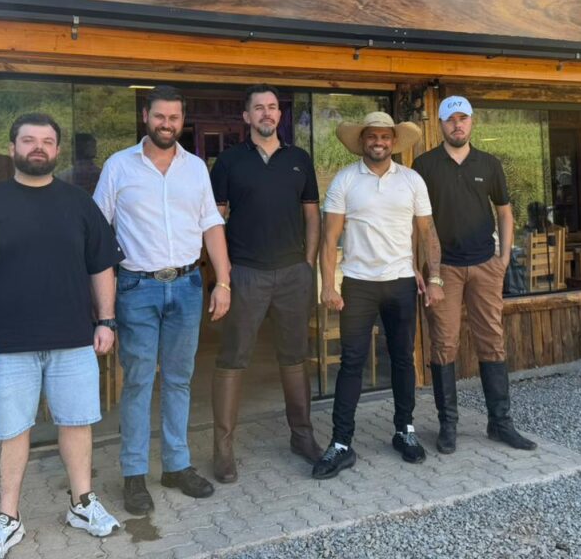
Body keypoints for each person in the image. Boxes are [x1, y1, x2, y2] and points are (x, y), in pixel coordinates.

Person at [0, 112, 124, 559]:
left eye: (46, 141)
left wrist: (106, 320)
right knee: (11, 431)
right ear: (13, 149)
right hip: (5, 345)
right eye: (28, 140)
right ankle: (8, 518)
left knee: (77, 423)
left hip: (73, 340)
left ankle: (82, 503)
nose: (38, 147)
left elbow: (101, 265)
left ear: (57, 150)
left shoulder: (79, 203)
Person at [93, 85, 231, 515]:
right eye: (159, 116)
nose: (166, 124)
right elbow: (97, 230)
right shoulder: (118, 166)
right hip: (137, 287)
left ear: (181, 120)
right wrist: (102, 301)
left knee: (179, 379)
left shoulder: (196, 168)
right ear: (146, 117)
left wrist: (223, 282)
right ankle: (134, 474)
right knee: (137, 381)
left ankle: (176, 465)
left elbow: (211, 224)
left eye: (173, 117)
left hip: (188, 286)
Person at [312, 111, 443, 480]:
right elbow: (329, 238)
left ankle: (404, 430)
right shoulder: (345, 180)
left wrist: (435, 277)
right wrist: (328, 285)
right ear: (362, 141)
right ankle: (341, 443)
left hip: (401, 282)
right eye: (372, 136)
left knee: (402, 359)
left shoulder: (412, 180)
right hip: (358, 283)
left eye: (385, 137)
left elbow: (427, 232)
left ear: (394, 141)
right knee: (351, 362)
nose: (379, 142)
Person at [208, 84, 323, 483]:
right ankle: (223, 450)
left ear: (279, 114)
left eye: (272, 107)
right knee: (233, 357)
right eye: (258, 108)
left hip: (293, 273)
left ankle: (302, 437)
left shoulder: (299, 159)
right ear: (247, 117)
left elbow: (312, 215)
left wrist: (308, 264)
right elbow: (215, 220)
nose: (267, 113)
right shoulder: (228, 162)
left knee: (294, 355)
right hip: (247, 273)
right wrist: (224, 275)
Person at [412, 95, 537, 454]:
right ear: (441, 124)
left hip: (485, 264)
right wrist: (418, 266)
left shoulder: (489, 163)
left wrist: (503, 257)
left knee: (492, 341)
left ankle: (500, 423)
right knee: (444, 344)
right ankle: (448, 425)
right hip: (443, 270)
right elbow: (417, 221)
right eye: (451, 119)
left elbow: (505, 211)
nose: (458, 125)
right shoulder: (424, 165)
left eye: (463, 118)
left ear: (472, 122)